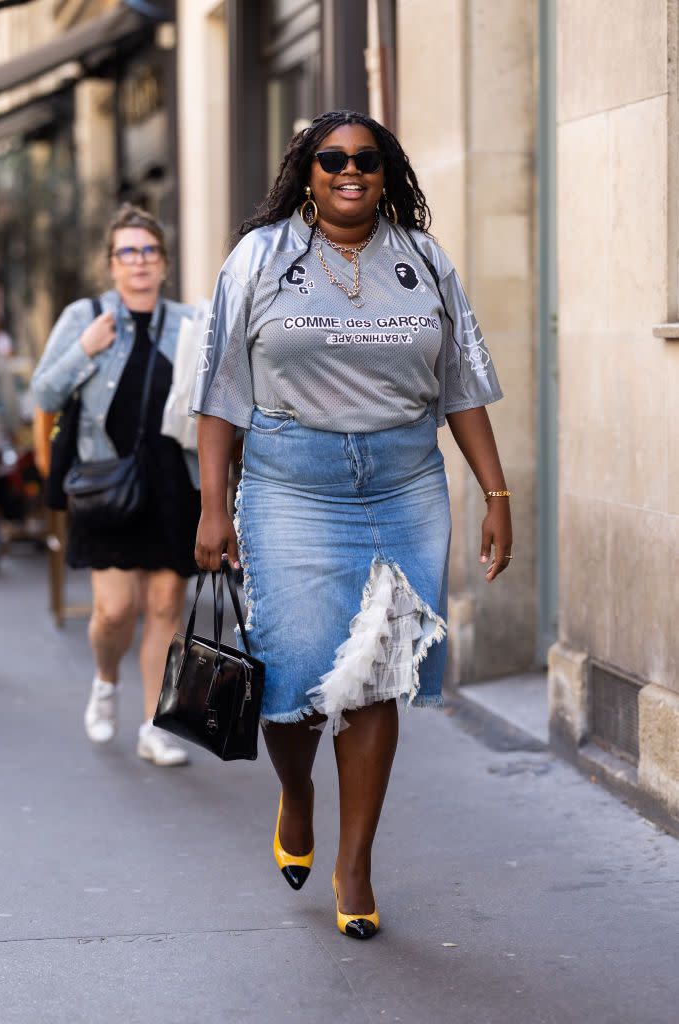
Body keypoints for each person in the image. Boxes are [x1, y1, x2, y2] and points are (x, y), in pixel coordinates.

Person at [193, 111, 512, 938]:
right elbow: (221, 392)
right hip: (290, 487)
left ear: (384, 172)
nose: (349, 171)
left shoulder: (422, 260)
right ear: (306, 171)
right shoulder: (259, 258)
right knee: (291, 676)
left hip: (405, 486)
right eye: (331, 159)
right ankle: (296, 797)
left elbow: (460, 384)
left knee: (377, 673)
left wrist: (497, 496)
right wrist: (209, 505)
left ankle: (355, 864)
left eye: (365, 161)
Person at [32, 204, 200, 766]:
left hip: (175, 479)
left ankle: (156, 725)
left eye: (149, 251)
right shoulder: (87, 316)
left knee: (164, 605)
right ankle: (106, 681)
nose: (139, 262)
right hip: (107, 482)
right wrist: (85, 351)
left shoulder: (191, 323)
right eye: (127, 252)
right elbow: (44, 395)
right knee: (113, 609)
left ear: (165, 263)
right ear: (112, 264)